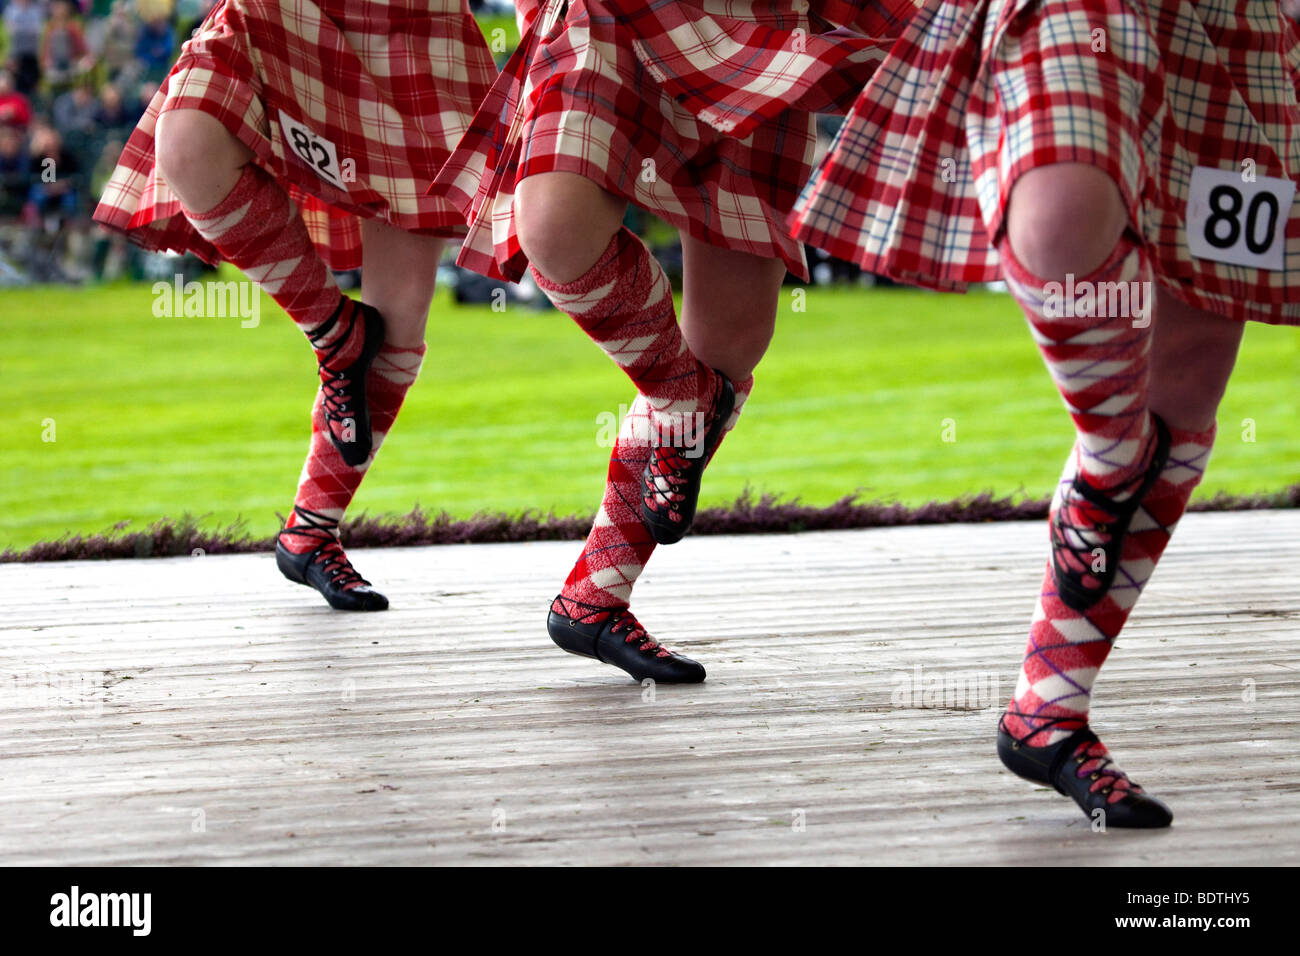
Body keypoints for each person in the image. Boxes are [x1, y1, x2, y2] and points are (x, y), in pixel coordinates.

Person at [793, 0, 1299, 826]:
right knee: (1061, 219)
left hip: (1239, 23)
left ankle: (1048, 714)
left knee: (1196, 353)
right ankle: (1112, 456)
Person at [433, 0, 910, 681]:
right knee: (556, 229)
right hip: (617, 17)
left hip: (759, 32)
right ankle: (686, 400)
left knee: (733, 337)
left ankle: (594, 597)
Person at [94, 1, 497, 610]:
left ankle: (311, 531)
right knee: (187, 143)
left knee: (400, 313)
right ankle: (335, 332)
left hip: (421, 24)